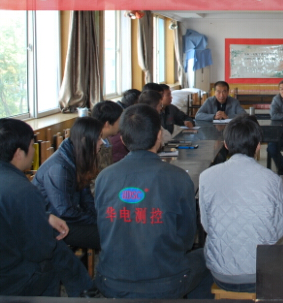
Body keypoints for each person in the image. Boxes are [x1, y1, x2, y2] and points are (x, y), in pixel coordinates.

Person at [0, 118, 95, 297]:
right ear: (18, 153)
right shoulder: (22, 189)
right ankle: (85, 292)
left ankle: (86, 291)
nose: (33, 151)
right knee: (53, 258)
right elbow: (40, 250)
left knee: (52, 243)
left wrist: (45, 217)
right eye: (31, 146)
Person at [94, 104, 212, 299]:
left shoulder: (104, 178)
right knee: (208, 257)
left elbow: (104, 229)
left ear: (122, 138)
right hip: (165, 282)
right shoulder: (179, 177)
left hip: (111, 281)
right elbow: (187, 237)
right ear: (159, 136)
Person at [199, 114, 283, 292]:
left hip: (221, 274)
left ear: (225, 144)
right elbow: (279, 231)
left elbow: (206, 225)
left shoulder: (206, 176)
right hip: (261, 272)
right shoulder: (273, 179)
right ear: (258, 146)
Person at [32, 116, 103, 250]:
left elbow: (86, 196)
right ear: (85, 140)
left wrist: (98, 216)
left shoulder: (77, 156)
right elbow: (65, 211)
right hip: (53, 225)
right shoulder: (59, 168)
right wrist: (97, 221)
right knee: (106, 235)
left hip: (68, 219)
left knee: (109, 228)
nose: (102, 142)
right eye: (98, 138)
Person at [91, 100, 123, 170]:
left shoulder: (106, 139)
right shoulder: (94, 147)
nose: (121, 125)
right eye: (119, 121)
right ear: (107, 124)